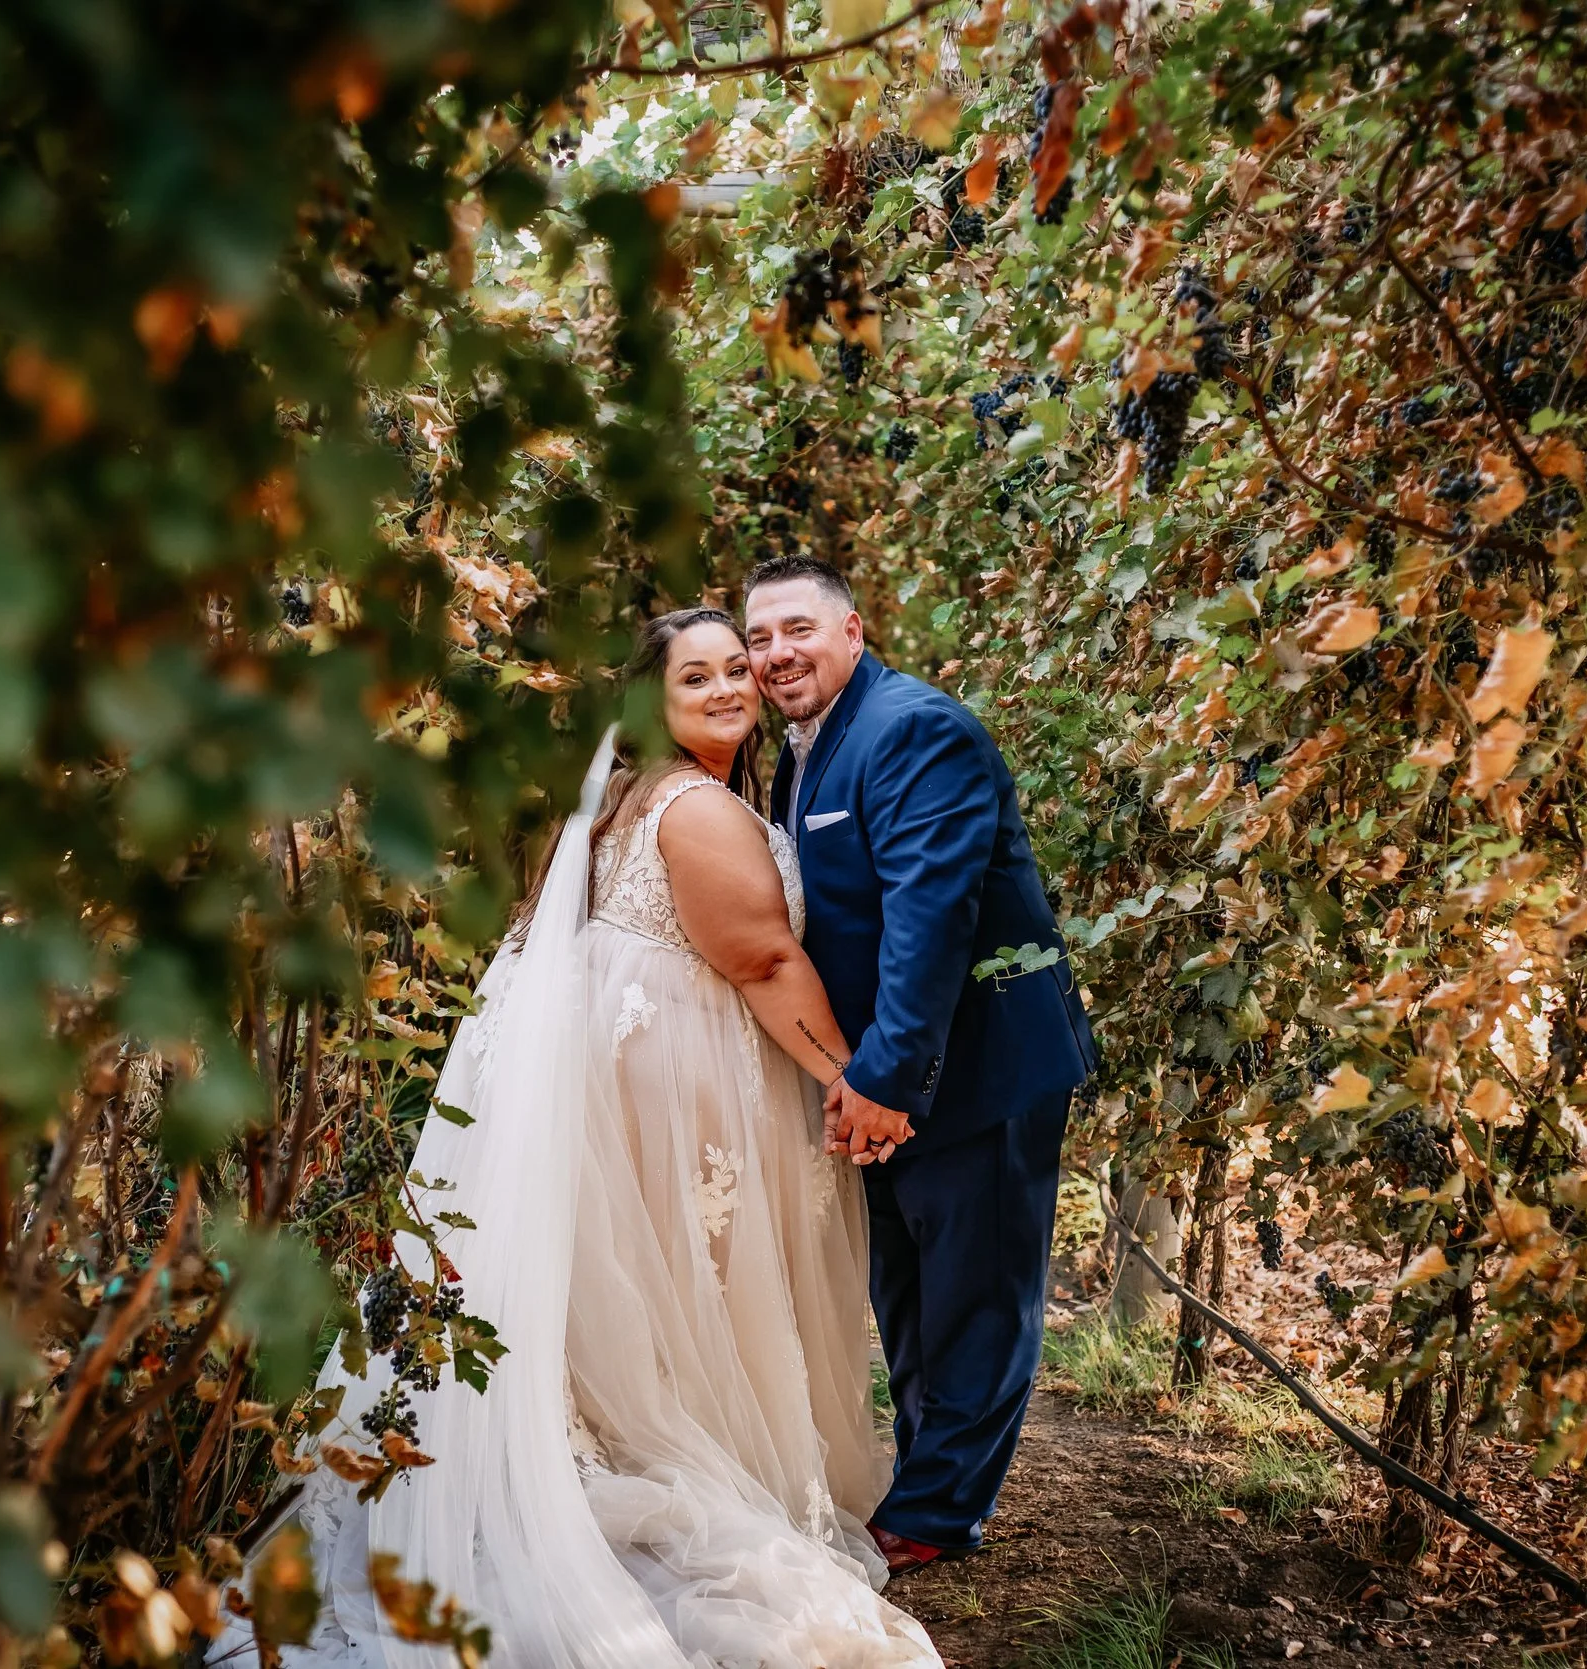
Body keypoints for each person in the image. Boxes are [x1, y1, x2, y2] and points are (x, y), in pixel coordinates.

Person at [214, 608, 939, 1668]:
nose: (732, 688)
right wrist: (854, 1081)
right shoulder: (697, 807)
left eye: (738, 669)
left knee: (634, 1292)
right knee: (694, 1279)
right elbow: (765, 963)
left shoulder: (612, 801)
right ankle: (663, 1465)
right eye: (700, 678)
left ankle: (583, 1449)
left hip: (623, 1067)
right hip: (680, 1070)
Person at [745, 554, 1097, 1575]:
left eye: (796, 630)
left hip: (975, 1064)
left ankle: (939, 1513)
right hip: (885, 1069)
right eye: (760, 637)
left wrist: (885, 1082)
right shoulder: (809, 747)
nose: (777, 654)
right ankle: (924, 1472)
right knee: (904, 1287)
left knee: (976, 1291)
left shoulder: (913, 730)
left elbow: (927, 923)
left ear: (851, 631)